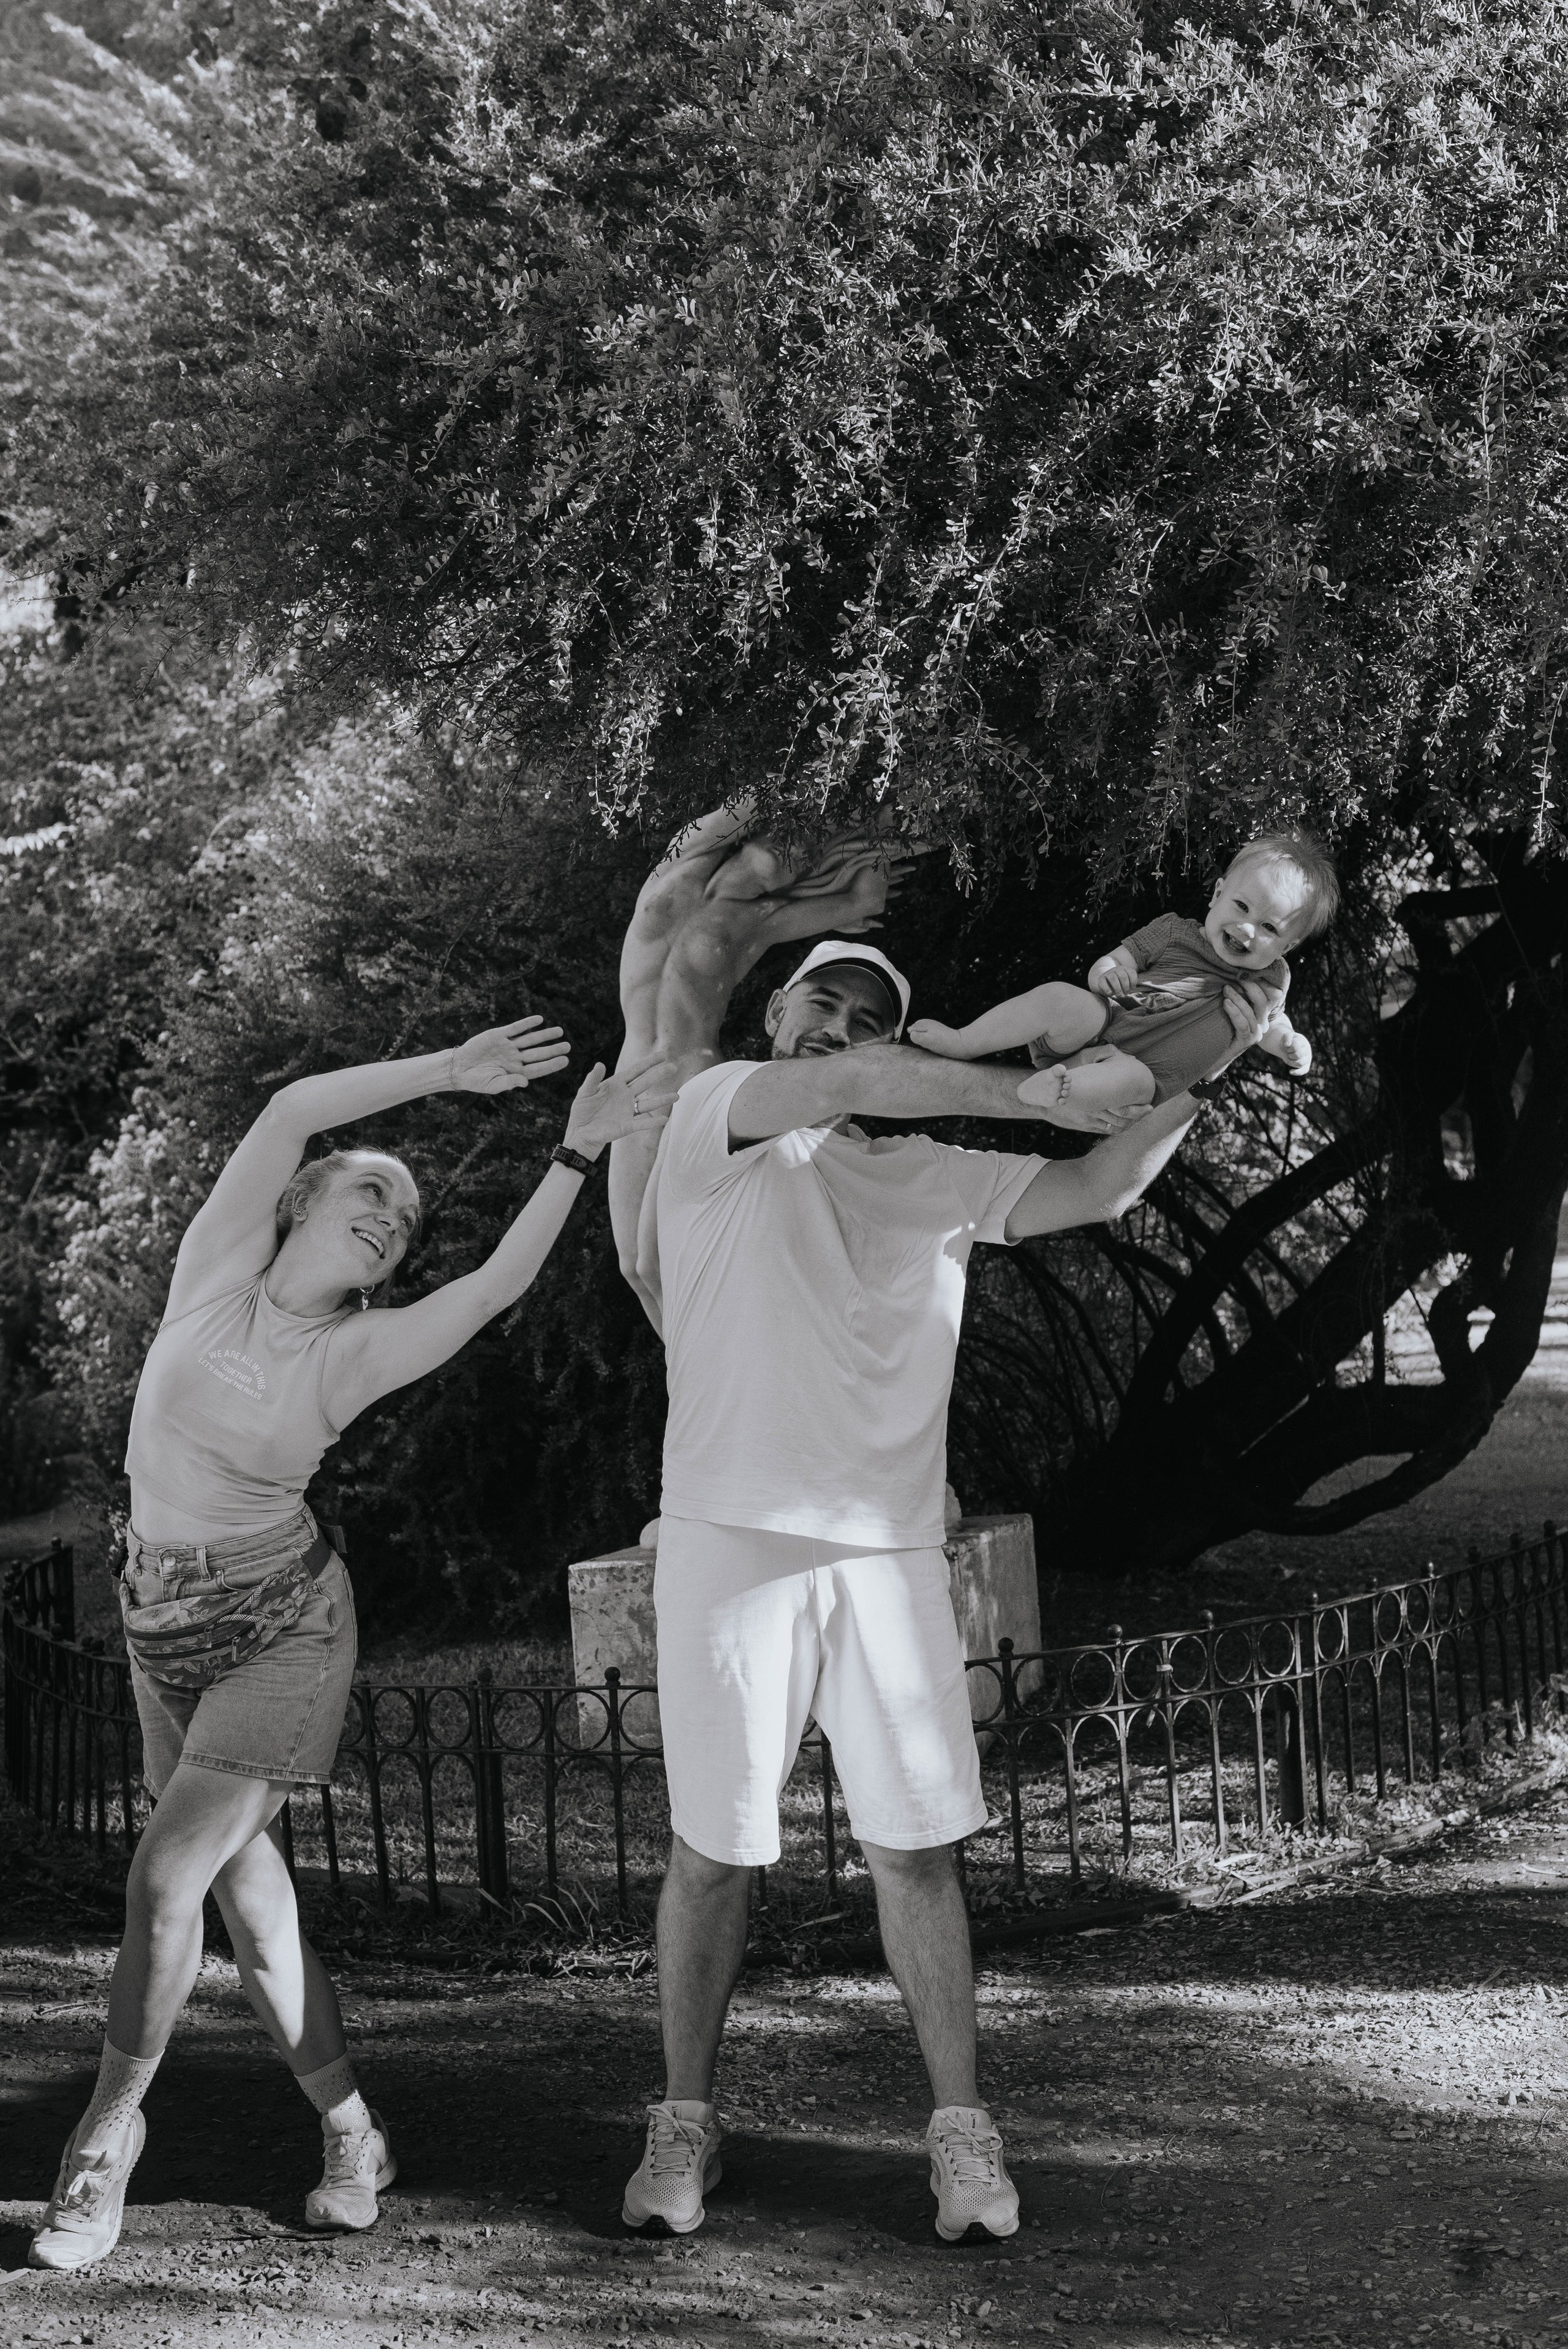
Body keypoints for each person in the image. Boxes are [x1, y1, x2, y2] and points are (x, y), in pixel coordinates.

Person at [619, 936, 1271, 2242]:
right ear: (777, 1009)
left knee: (914, 1854)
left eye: (871, 1015)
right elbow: (827, 1091)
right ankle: (682, 2122)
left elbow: (1092, 1189)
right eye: (824, 1001)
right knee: (711, 1855)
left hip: (887, 1551)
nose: (839, 1027)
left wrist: (1216, 1057)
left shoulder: (920, 1171)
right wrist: (1023, 1085)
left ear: (902, 1040)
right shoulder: (720, 1112)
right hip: (725, 1543)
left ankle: (961, 2135)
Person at [27, 1019, 673, 2273]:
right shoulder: (214, 1268)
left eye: (406, 1214)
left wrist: (572, 1159)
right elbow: (290, 1104)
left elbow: (488, 1290)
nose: (394, 1212)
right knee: (248, 1907)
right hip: (161, 1622)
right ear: (302, 1202)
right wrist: (447, 1072)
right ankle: (352, 2131)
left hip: (283, 1626)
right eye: (373, 1188)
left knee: (164, 1880)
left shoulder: (354, 1353)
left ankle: (102, 2148)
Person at [611, 794, 920, 1331]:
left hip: (692, 1074)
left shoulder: (755, 920)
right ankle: (694, 1368)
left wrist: (876, 847)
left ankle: (710, 1360)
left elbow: (859, 902)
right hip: (634, 1075)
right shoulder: (688, 865)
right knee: (636, 1267)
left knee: (658, 1255)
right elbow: (761, 800)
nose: (787, 863)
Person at [909, 833, 1338, 1116]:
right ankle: (966, 1040)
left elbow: (1270, 1024)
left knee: (1132, 1082)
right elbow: (1113, 961)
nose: (1247, 929)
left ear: (1288, 947)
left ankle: (1055, 1090)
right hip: (1106, 1022)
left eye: (1269, 928)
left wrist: (1289, 1044)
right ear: (1218, 893)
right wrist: (1108, 975)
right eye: (1242, 907)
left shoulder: (1271, 980)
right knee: (1061, 997)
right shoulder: (1174, 931)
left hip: (1146, 1072)